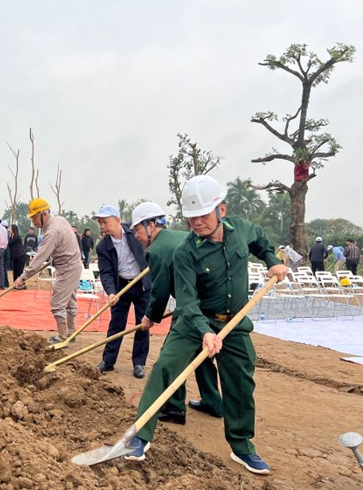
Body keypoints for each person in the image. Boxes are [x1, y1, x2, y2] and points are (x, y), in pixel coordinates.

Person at [125, 175, 287, 476]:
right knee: (166, 367)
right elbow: (186, 301)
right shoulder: (185, 252)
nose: (196, 223)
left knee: (241, 381)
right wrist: (205, 331)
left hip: (235, 321)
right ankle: (139, 437)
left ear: (221, 211)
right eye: (190, 218)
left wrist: (270, 260)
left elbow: (261, 240)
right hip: (194, 320)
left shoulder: (240, 230)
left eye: (202, 216)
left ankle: (242, 447)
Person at [132, 202, 222, 425]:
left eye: (138, 229)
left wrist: (149, 317)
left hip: (192, 307)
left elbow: (160, 292)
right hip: (210, 303)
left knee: (171, 356)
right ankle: (213, 402)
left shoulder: (157, 250)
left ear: (150, 225)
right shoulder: (180, 236)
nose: (136, 235)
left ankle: (173, 408)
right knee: (201, 353)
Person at [93, 205, 152, 379]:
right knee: (116, 324)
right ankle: (108, 360)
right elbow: (106, 272)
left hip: (141, 284)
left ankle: (139, 363)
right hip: (121, 287)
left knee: (142, 324)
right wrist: (111, 292)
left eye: (105, 221)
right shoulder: (103, 246)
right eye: (99, 223)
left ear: (117, 220)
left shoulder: (135, 233)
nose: (102, 226)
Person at [13, 198, 82, 343]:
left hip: (68, 268)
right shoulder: (60, 220)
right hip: (73, 265)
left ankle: (63, 336)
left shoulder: (52, 231)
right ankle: (71, 333)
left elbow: (39, 258)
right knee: (69, 301)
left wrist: (23, 277)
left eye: (35, 218)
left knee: (57, 303)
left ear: (44, 214)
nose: (33, 222)